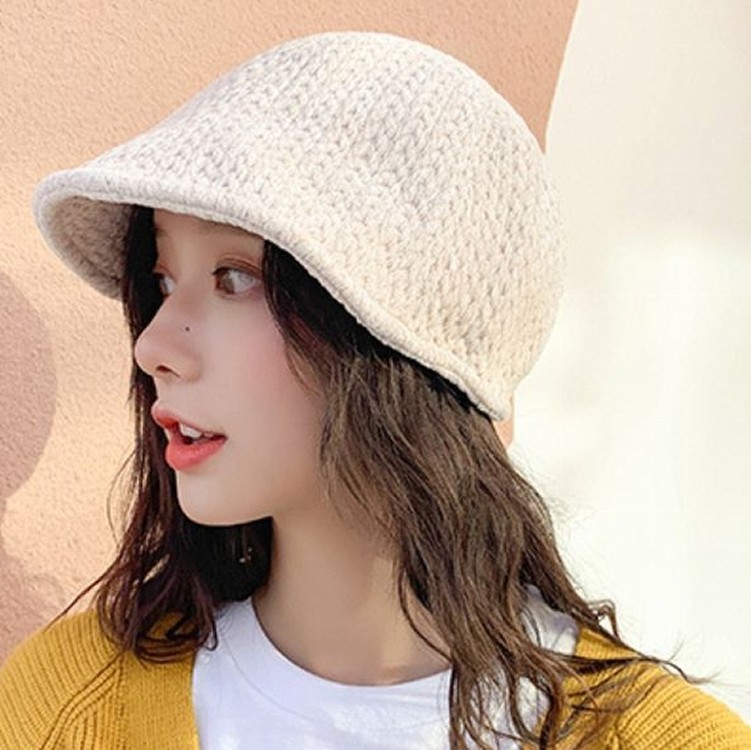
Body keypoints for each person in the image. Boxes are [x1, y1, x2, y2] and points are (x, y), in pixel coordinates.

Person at [1, 30, 749, 750]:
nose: (152, 346)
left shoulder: (659, 737)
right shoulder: (61, 708)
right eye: (163, 281)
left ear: (399, 339)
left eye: (233, 277)